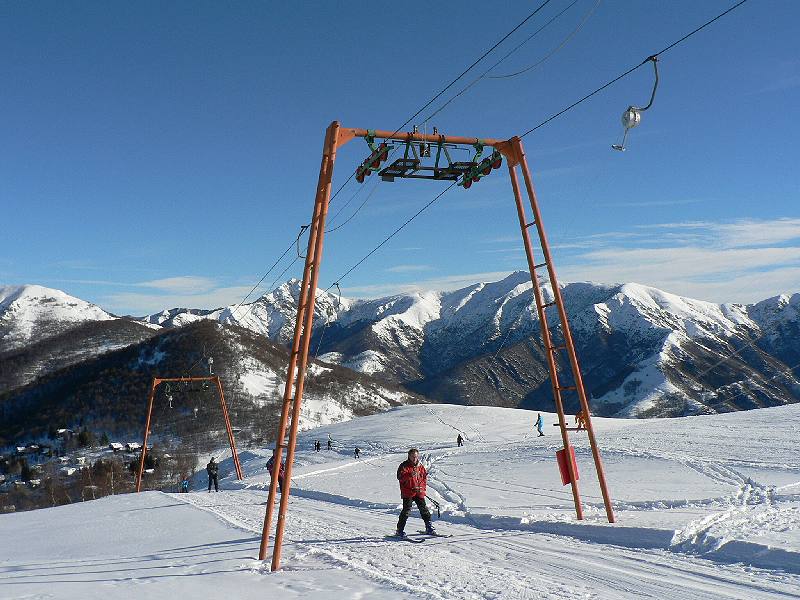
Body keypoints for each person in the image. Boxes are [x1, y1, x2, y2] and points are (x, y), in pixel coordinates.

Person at [395, 448, 435, 537]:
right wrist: (409, 475)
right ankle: (399, 530)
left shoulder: (420, 466)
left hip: (419, 492)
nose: (414, 458)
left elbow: (424, 479)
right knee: (406, 511)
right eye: (413, 456)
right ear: (409, 456)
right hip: (408, 492)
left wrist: (423, 489)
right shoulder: (404, 466)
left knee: (424, 510)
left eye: (416, 456)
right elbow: (400, 477)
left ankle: (429, 527)